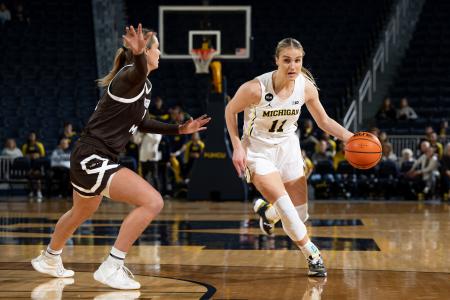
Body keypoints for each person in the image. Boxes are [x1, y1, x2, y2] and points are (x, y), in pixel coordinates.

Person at [31, 24, 210, 290]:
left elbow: (142, 121)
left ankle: (49, 258)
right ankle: (112, 266)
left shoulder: (143, 84)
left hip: (88, 155)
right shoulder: (130, 76)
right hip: (93, 156)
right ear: (145, 51)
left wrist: (179, 129)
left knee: (82, 210)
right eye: (156, 48)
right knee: (153, 201)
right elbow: (138, 70)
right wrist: (137, 54)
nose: (160, 53)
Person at [225, 38, 353, 277]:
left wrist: (350, 137)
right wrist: (237, 146)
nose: (292, 66)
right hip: (258, 150)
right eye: (286, 60)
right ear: (277, 61)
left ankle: (267, 213)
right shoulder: (255, 88)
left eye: (297, 60)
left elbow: (324, 121)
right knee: (288, 209)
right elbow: (230, 110)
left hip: (288, 147)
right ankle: (313, 255)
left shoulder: (305, 87)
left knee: (300, 214)